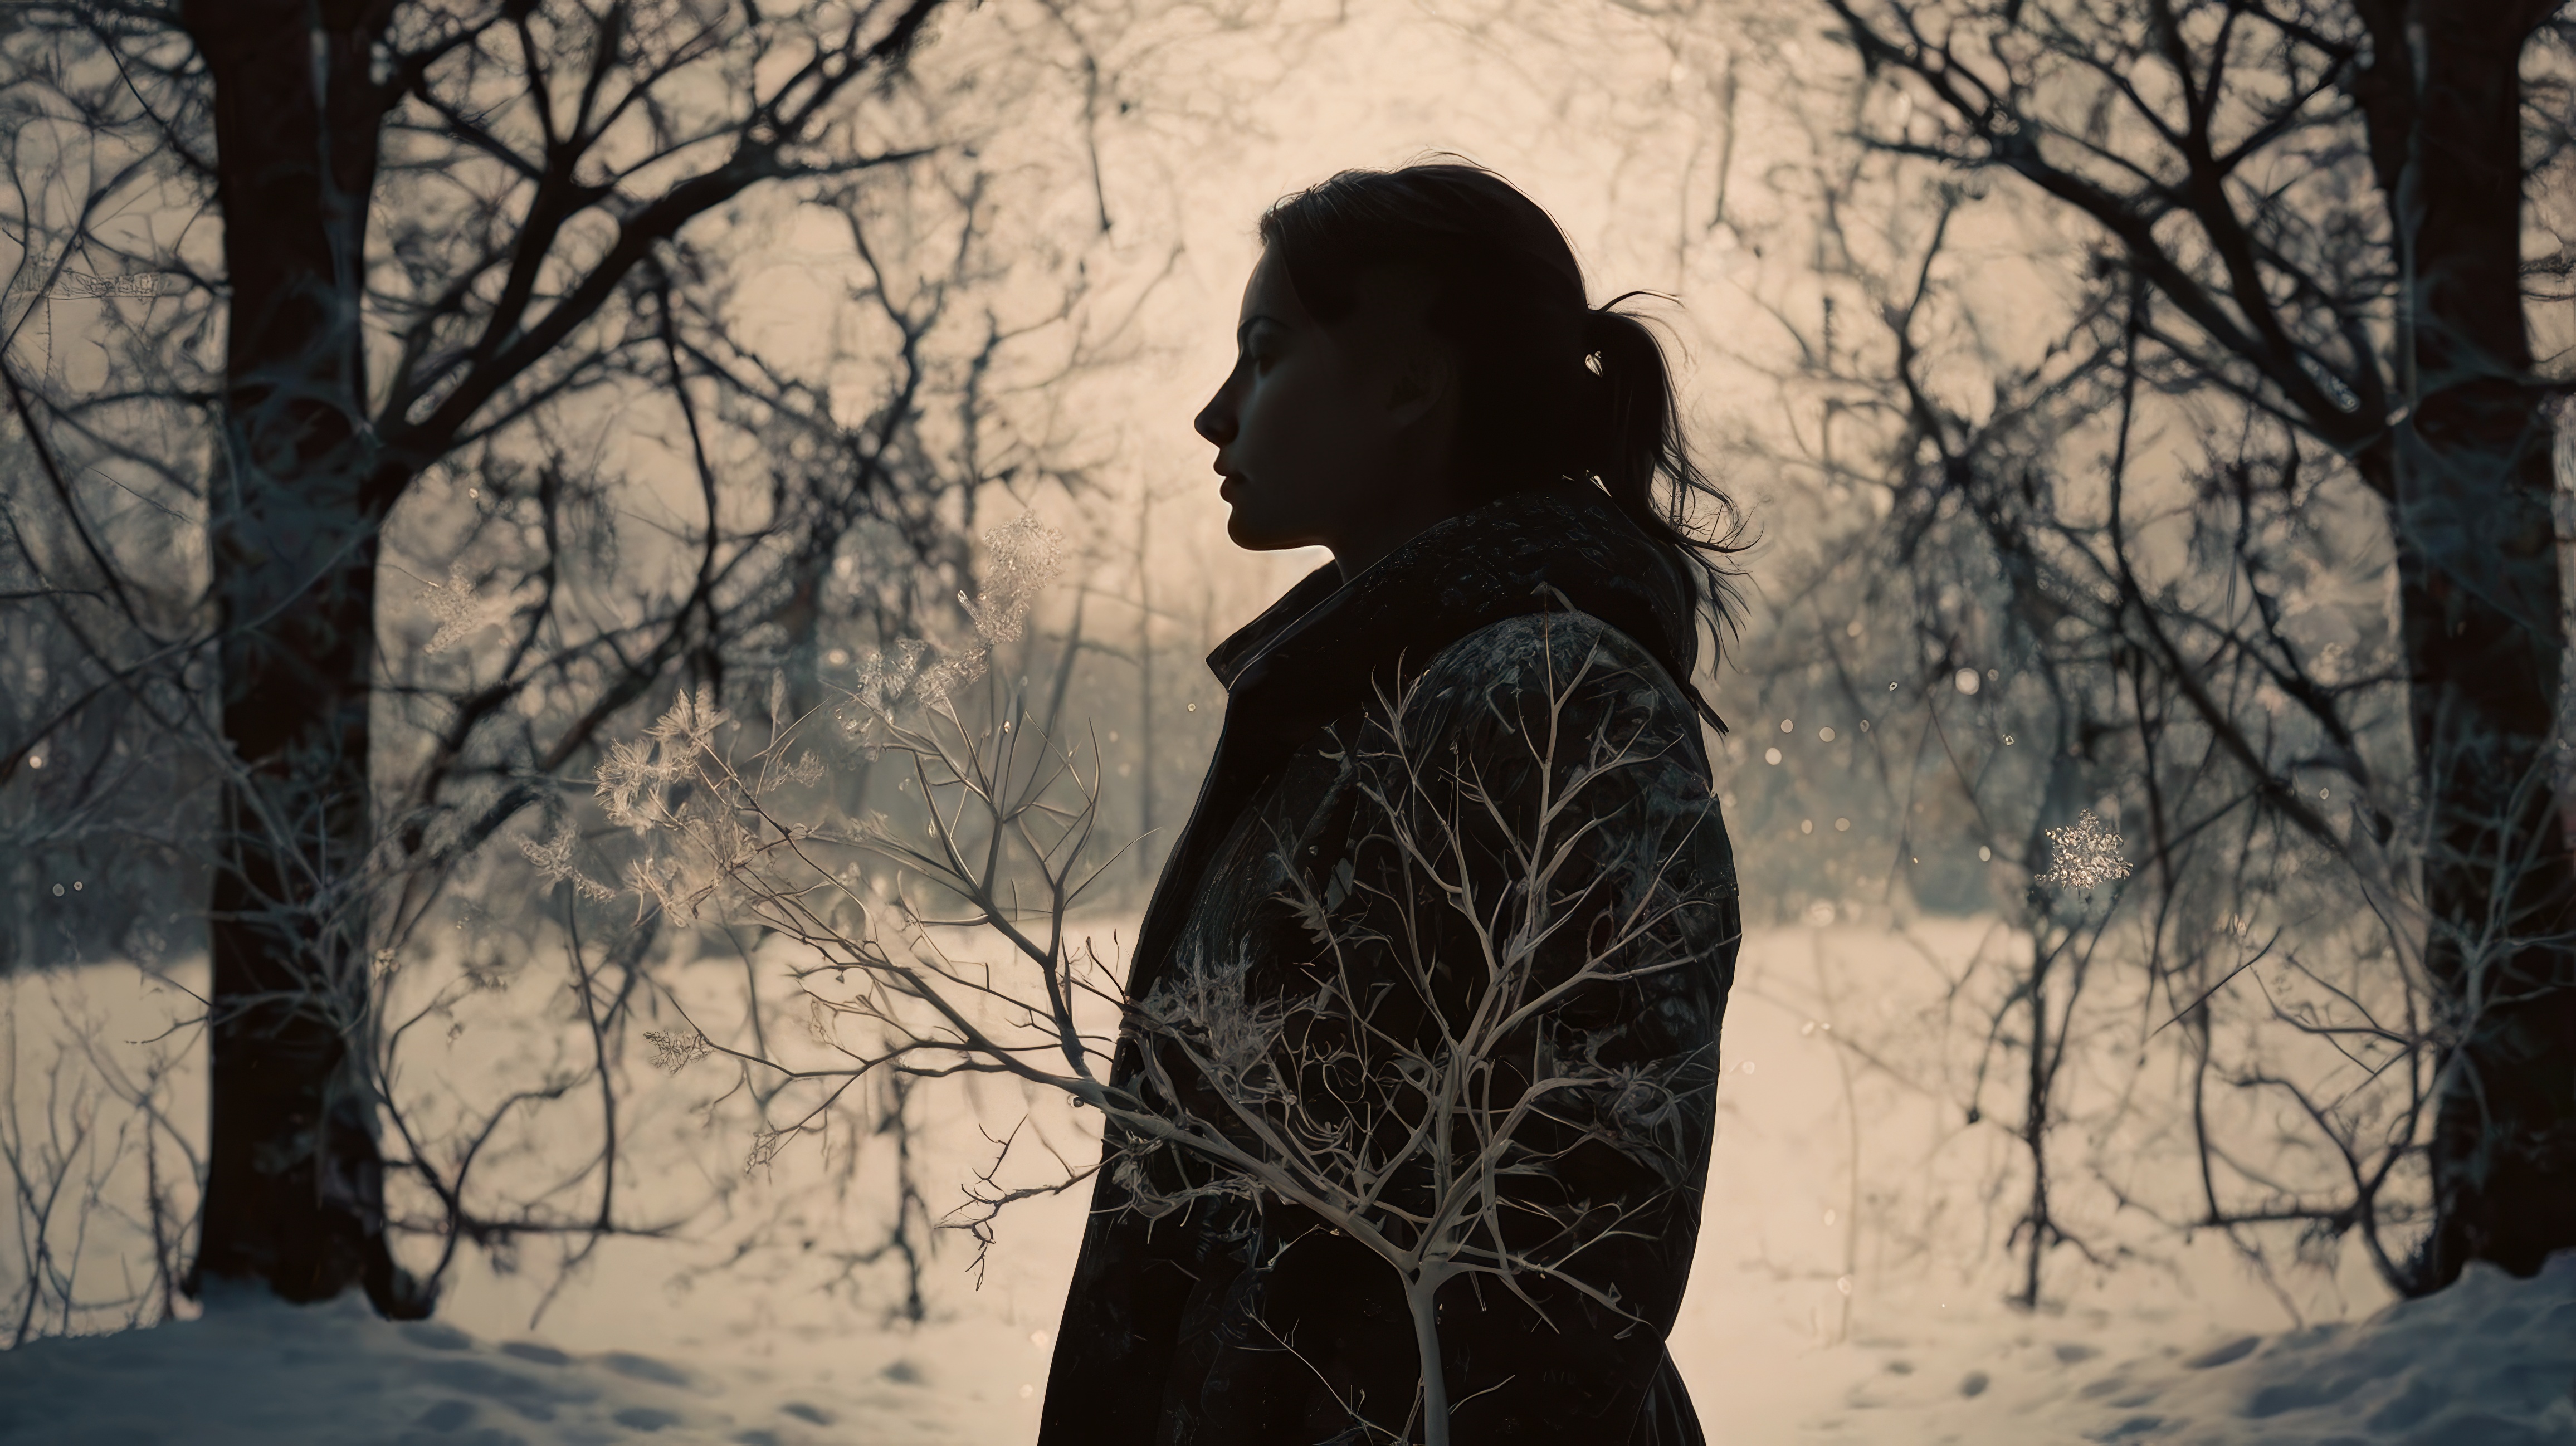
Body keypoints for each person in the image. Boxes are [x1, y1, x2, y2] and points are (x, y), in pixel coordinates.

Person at [1038, 160, 1745, 1446]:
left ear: (1416, 381)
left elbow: (1566, 1255)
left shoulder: (1548, 699)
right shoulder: (1357, 705)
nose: (1214, 413)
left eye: (1264, 353)